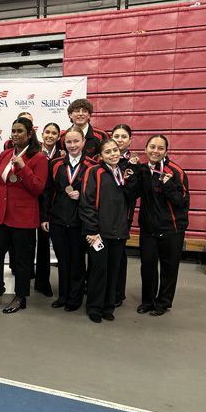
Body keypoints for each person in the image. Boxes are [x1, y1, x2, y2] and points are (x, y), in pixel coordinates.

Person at [0, 117, 48, 313]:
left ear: (29, 135)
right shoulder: (4, 155)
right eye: (13, 130)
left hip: (23, 218)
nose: (16, 134)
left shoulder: (39, 158)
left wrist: (23, 167)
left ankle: (20, 297)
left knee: (22, 260)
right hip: (1, 216)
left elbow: (38, 188)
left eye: (20, 131)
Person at [127, 135, 189, 316]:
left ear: (166, 151)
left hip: (172, 229)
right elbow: (133, 194)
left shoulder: (175, 171)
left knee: (169, 268)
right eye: (152, 147)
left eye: (160, 148)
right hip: (148, 228)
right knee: (147, 266)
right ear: (146, 149)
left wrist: (168, 186)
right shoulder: (143, 170)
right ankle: (147, 301)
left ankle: (163, 303)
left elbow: (183, 202)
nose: (155, 151)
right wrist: (130, 173)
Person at [79, 138, 136, 323]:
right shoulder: (93, 172)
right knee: (99, 269)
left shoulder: (124, 173)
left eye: (115, 150)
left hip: (119, 231)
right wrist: (91, 230)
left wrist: (132, 177)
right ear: (101, 155)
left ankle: (108, 306)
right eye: (108, 152)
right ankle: (94, 307)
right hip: (98, 233)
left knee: (113, 270)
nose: (113, 154)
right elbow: (87, 202)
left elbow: (131, 199)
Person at [41, 126, 96, 311]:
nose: (73, 145)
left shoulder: (91, 166)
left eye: (76, 141)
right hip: (57, 219)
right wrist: (45, 217)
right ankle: (63, 295)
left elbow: (96, 194)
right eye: (69, 142)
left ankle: (75, 297)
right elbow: (48, 192)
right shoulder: (55, 164)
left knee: (78, 260)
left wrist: (82, 196)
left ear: (83, 142)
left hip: (79, 220)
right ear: (63, 143)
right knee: (62, 260)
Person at [111, 124, 141, 307]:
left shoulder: (134, 163)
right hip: (104, 213)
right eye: (116, 136)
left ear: (130, 140)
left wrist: (128, 179)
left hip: (124, 214)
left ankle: (117, 294)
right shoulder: (104, 158)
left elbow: (134, 194)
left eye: (123, 137)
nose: (120, 139)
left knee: (119, 254)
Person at [34, 122, 63, 297]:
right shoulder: (35, 152)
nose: (50, 136)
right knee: (40, 246)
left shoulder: (62, 155)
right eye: (47, 132)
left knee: (56, 246)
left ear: (59, 137)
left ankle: (63, 284)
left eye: (54, 133)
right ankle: (41, 282)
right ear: (42, 134)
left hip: (55, 205)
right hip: (36, 204)